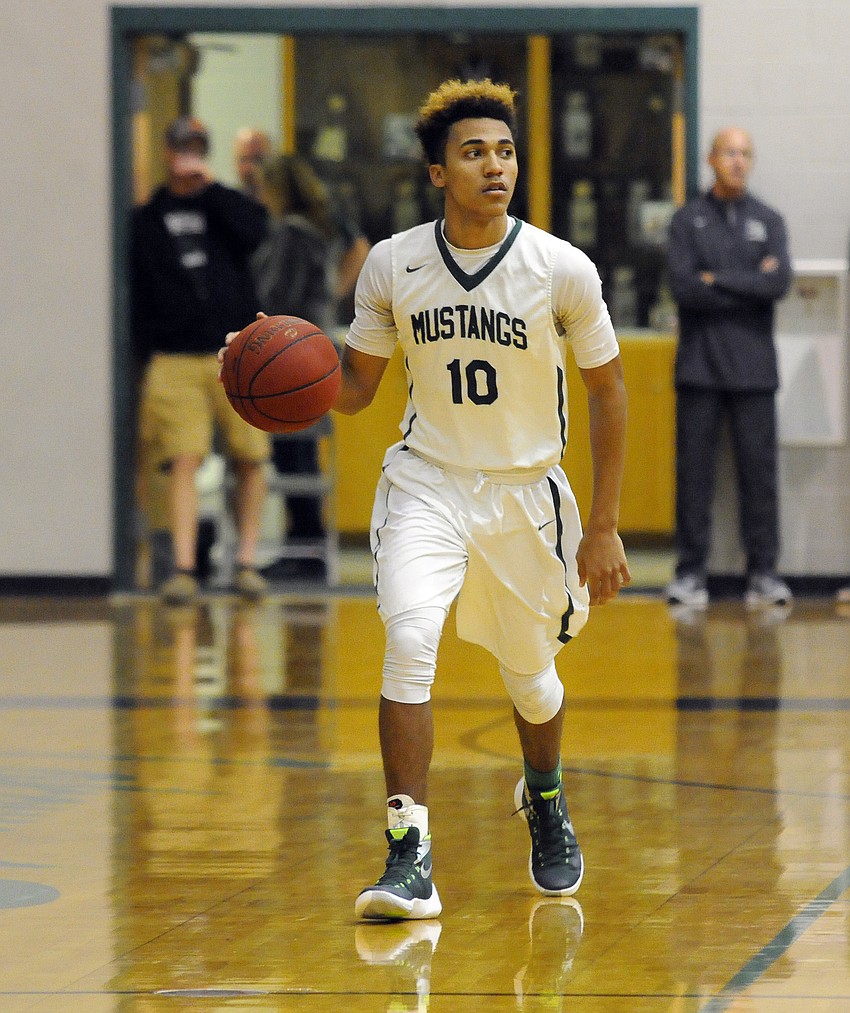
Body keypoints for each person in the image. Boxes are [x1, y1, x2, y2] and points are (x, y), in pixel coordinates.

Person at [221, 78, 630, 919]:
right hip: (428, 484)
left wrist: (604, 524)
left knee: (533, 680)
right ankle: (409, 853)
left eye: (505, 151)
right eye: (474, 152)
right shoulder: (393, 262)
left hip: (526, 496)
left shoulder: (561, 268)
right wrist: (262, 353)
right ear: (438, 172)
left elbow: (610, 391)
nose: (495, 166)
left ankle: (544, 797)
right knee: (409, 639)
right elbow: (357, 387)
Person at [131, 116, 272, 605]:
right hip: (174, 355)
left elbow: (257, 233)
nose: (188, 155)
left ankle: (246, 562)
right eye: (181, 147)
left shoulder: (226, 205)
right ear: (167, 152)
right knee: (182, 458)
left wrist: (210, 190)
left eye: (197, 147)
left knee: (250, 456)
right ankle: (185, 567)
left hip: (234, 351)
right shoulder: (147, 216)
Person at [665, 127, 793, 611]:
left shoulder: (769, 219)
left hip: (755, 371)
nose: (737, 162)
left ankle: (763, 573)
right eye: (729, 153)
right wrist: (746, 282)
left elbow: (778, 283)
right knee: (694, 477)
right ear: (711, 159)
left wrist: (715, 278)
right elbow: (683, 287)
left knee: (759, 477)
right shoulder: (687, 220)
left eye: (745, 154)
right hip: (699, 368)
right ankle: (690, 573)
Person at [251, 152, 337, 561]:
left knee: (292, 454)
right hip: (310, 352)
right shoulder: (314, 231)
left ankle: (302, 548)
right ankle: (305, 543)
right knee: (301, 453)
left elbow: (276, 295)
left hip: (288, 355)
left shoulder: (289, 234)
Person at [233, 127, 272, 201]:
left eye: (258, 160)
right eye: (243, 160)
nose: (251, 167)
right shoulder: (229, 205)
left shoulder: (286, 205)